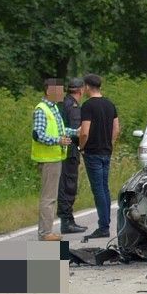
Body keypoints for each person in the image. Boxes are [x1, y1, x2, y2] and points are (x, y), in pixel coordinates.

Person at [32, 78, 77, 241]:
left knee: (51, 196)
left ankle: (46, 231)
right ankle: (45, 234)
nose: (62, 93)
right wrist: (58, 140)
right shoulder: (42, 109)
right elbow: (38, 134)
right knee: (48, 197)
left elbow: (60, 129)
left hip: (54, 157)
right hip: (48, 158)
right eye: (59, 90)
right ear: (49, 91)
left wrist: (74, 132)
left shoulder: (53, 108)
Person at [78, 73, 118, 239]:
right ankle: (106, 222)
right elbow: (116, 128)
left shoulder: (87, 106)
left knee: (98, 189)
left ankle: (103, 226)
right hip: (106, 151)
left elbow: (85, 131)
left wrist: (81, 146)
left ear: (87, 87)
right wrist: (110, 144)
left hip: (92, 152)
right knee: (105, 187)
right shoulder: (109, 104)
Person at [57, 78, 88, 234]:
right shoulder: (73, 106)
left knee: (63, 184)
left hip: (61, 150)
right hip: (69, 151)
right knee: (69, 185)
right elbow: (77, 130)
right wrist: (82, 146)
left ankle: (66, 219)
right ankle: (67, 221)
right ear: (81, 90)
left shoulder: (62, 103)